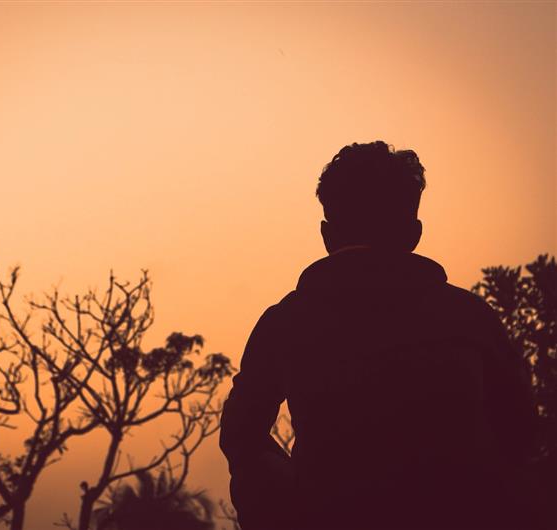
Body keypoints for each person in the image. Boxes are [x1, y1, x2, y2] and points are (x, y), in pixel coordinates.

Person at [219, 141, 538, 530]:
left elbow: (241, 437)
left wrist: (291, 508)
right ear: (414, 233)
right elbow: (522, 435)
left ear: (326, 235)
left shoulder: (286, 322)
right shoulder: (469, 318)